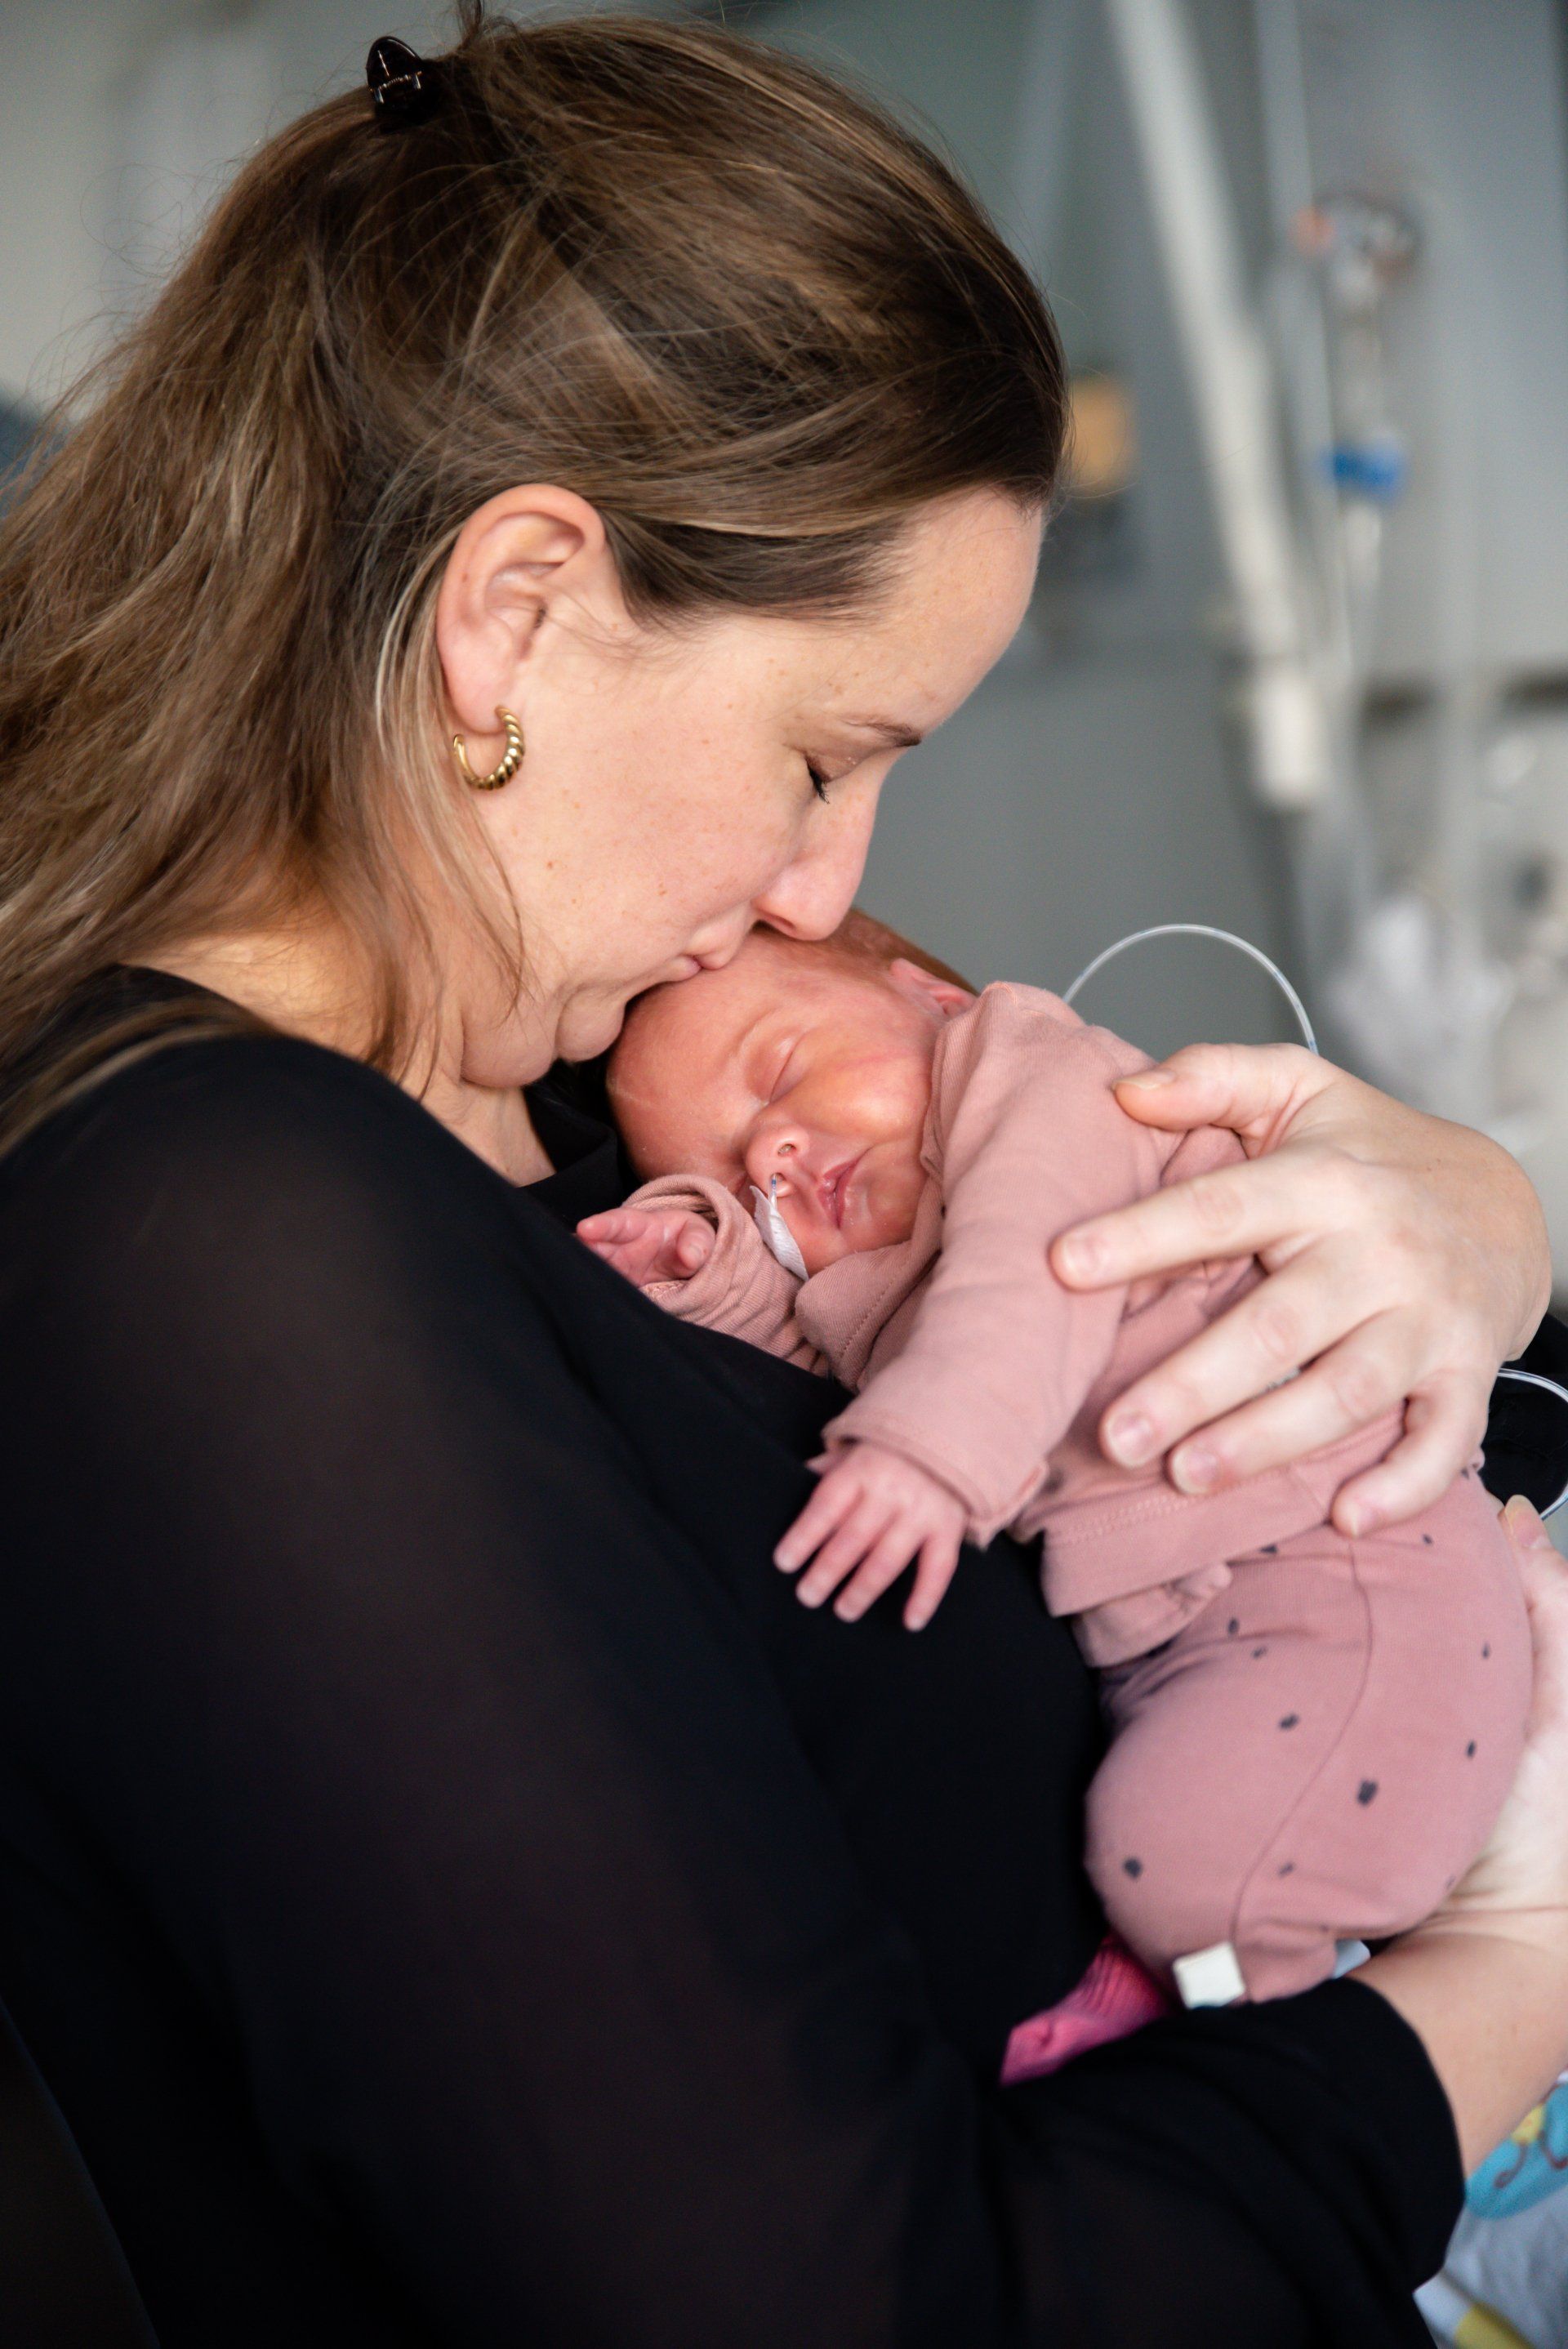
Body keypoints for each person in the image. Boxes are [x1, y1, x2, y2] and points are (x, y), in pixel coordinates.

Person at [0, 11, 1565, 2345]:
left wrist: (1469, 1223)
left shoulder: (576, 1090)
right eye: (827, 756)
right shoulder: (217, 1251)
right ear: (515, 613)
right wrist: (1509, 1972)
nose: (832, 889)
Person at [586, 913, 1530, 2025]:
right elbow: (806, 1368)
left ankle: (1323, 2039)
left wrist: (924, 1457)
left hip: (1346, 1560)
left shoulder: (1034, 1074)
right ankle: (1310, 2018)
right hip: (1192, 1621)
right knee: (1154, 1831)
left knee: (1180, 1861)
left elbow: (1030, 1276)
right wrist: (708, 1270)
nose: (769, 1158)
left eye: (783, 1070)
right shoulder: (882, 1283)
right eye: (730, 1177)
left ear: (932, 999)